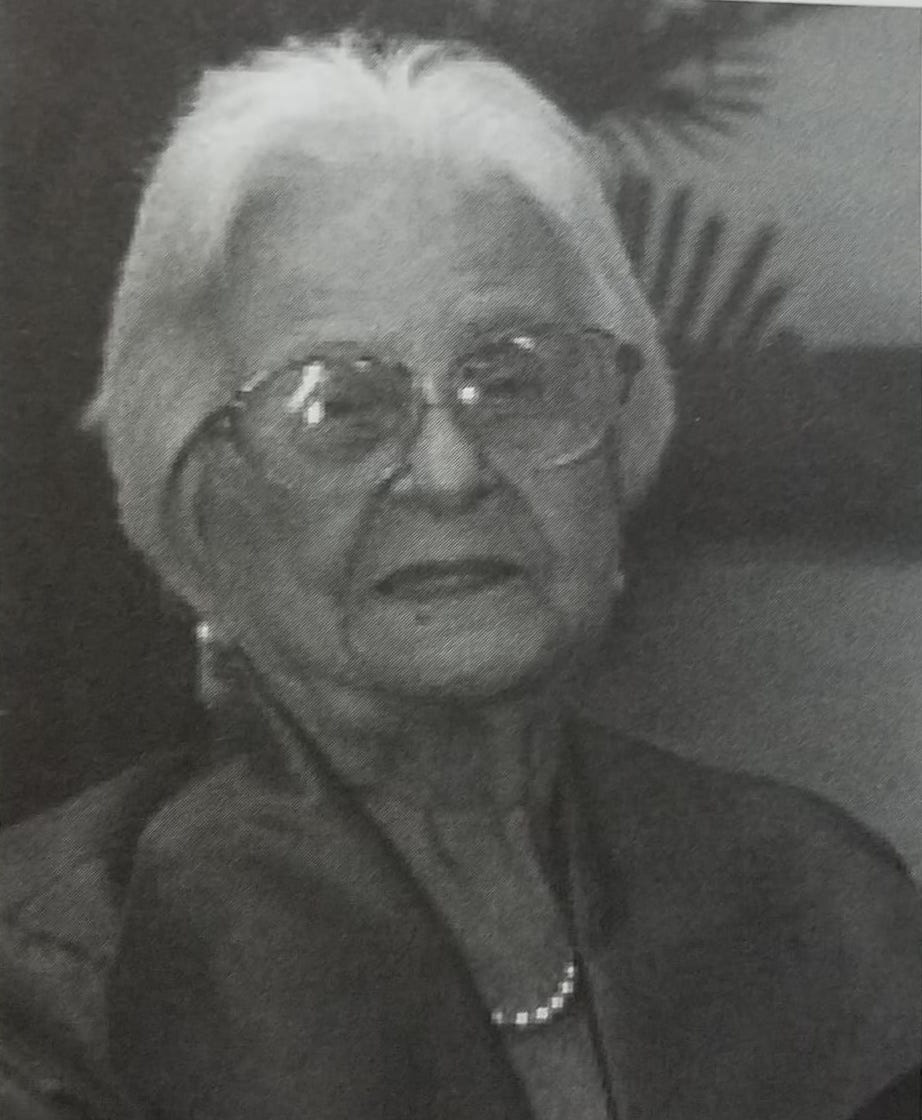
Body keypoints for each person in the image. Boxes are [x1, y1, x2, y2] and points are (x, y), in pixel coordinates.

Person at [0, 34, 918, 1120]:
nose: (449, 472)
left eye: (511, 379)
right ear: (199, 512)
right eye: (339, 406)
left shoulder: (824, 900)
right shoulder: (60, 975)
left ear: (618, 445)